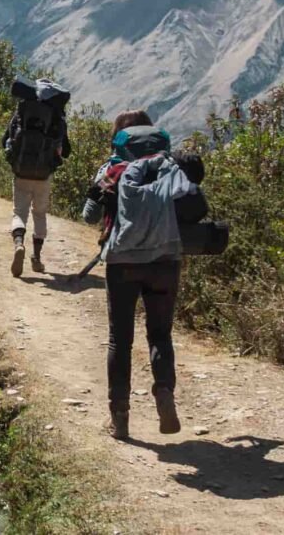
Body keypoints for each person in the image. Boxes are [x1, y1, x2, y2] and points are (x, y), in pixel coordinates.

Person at [83, 110, 196, 441]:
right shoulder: (170, 167)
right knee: (160, 335)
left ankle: (119, 418)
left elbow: (89, 216)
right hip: (166, 260)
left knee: (121, 338)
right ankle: (164, 393)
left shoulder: (111, 170)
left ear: (120, 138)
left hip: (123, 264)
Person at [1, 79, 72, 276]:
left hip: (21, 171)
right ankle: (37, 258)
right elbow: (66, 151)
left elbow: (4, 140)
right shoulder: (57, 118)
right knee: (39, 214)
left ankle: (18, 244)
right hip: (44, 174)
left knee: (19, 212)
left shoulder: (22, 111)